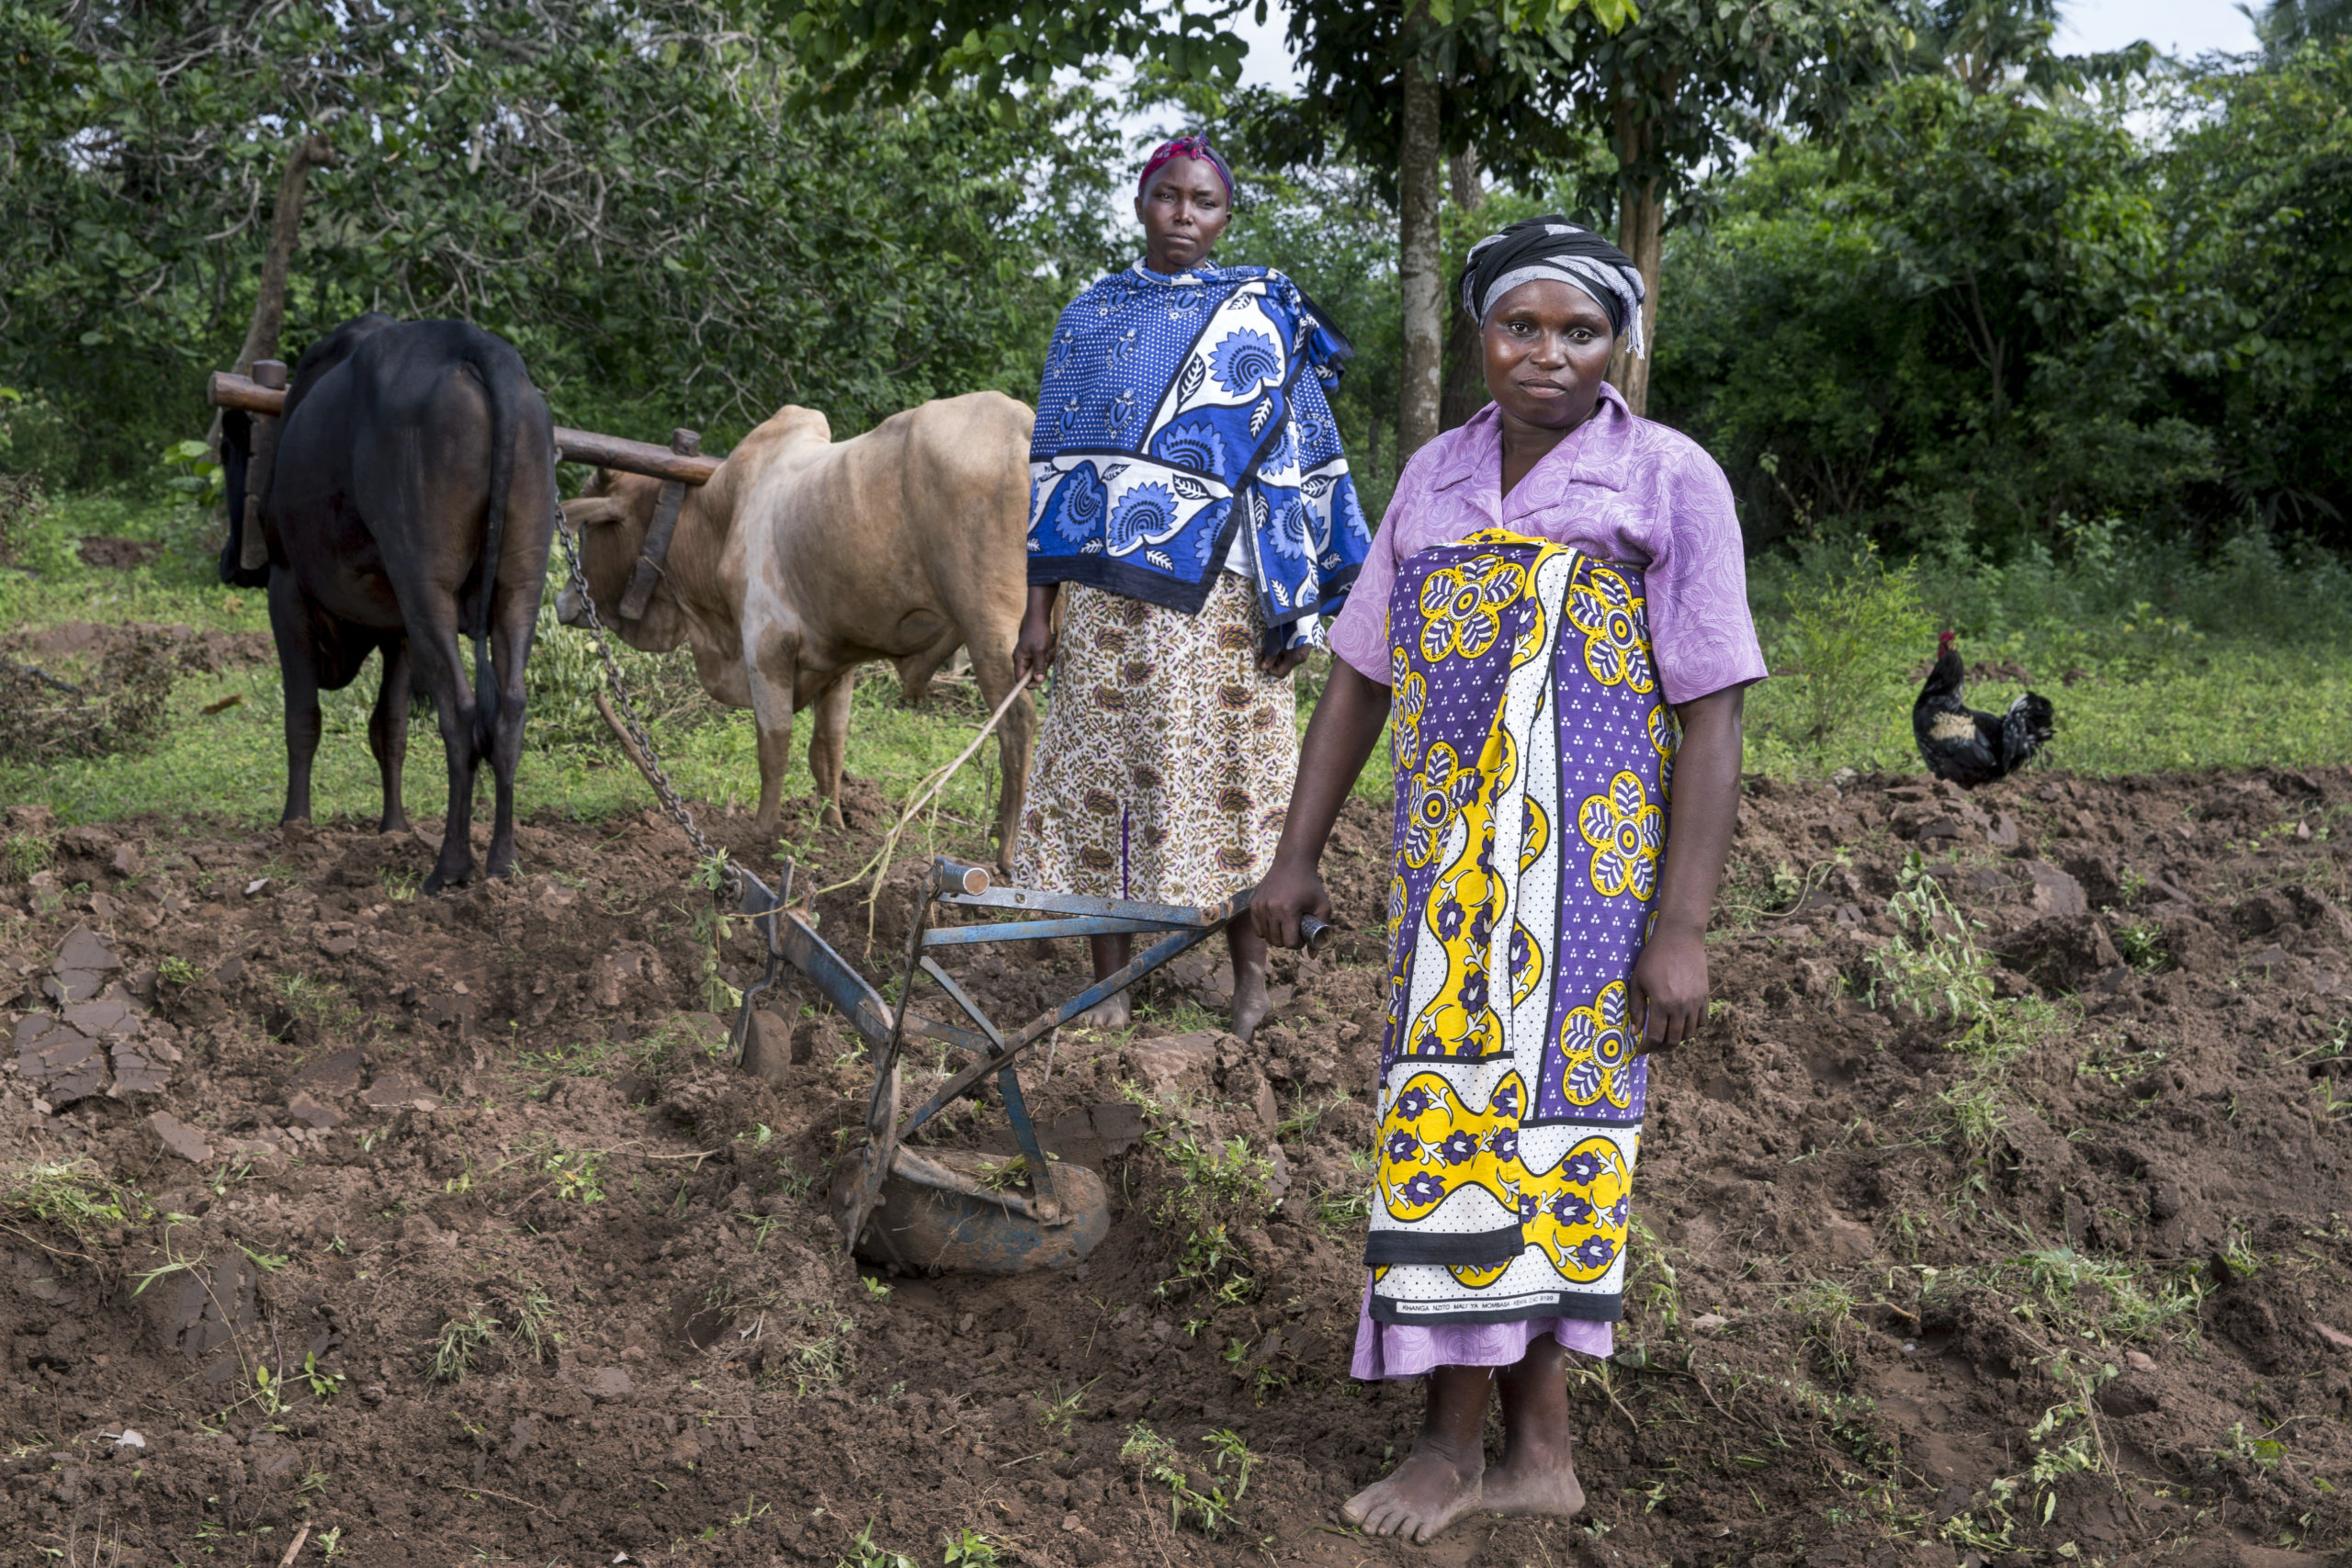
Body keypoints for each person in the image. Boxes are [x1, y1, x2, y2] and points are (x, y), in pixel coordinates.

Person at [1251, 216, 1767, 1541]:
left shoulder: (1668, 478)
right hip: (1451, 884)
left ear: (1621, 346)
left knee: (1549, 1143)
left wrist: (1685, 925)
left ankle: (1476, 1445)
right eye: (1520, 327)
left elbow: (1712, 711)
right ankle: (1504, 1443)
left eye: (1579, 330)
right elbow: (1362, 671)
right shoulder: (1432, 475)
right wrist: (1296, 852)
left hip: (1592, 894)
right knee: (1454, 1129)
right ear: (1481, 334)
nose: (1547, 355)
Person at [1014, 134, 1373, 1041]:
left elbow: (1301, 451)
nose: (1184, 216)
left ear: (1225, 216)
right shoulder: (1090, 316)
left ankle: (1248, 982)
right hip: (1110, 600)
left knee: (1240, 780)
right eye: (1168, 196)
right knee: (1107, 775)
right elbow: (1054, 468)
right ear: (1141, 204)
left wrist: (1307, 579)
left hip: (1230, 596)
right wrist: (1035, 608)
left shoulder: (1259, 313)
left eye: (1204, 202)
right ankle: (1114, 984)